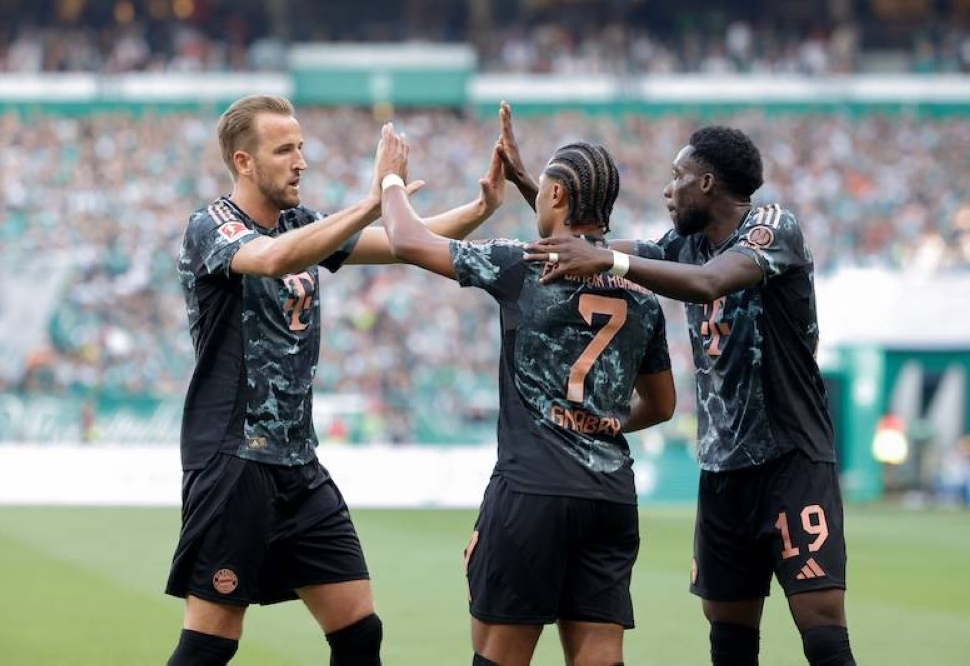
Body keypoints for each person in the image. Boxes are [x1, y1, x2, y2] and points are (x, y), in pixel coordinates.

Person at [498, 103, 857, 666]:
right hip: (722, 469)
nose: (668, 190)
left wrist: (609, 258)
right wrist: (540, 192)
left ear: (707, 183)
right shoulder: (684, 245)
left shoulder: (772, 227)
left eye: (676, 178)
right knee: (729, 629)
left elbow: (710, 283)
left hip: (792, 458)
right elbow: (600, 250)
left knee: (821, 625)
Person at [165, 95, 504, 666]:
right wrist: (374, 199)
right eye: (284, 149)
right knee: (209, 644)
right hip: (232, 460)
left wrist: (478, 209)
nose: (301, 160)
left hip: (298, 464)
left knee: (358, 631)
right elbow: (271, 259)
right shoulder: (212, 225)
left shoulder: (302, 222)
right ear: (244, 162)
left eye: (301, 146)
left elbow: (401, 244)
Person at [377, 124, 676, 666]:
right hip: (609, 497)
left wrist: (390, 179)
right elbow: (661, 406)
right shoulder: (642, 292)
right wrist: (595, 422)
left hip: (533, 492)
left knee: (499, 657)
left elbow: (406, 241)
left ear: (556, 195)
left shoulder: (521, 266)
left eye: (543, 188)